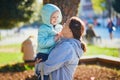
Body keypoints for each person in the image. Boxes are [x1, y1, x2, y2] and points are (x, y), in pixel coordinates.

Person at [35, 3, 63, 80]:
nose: (56, 19)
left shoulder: (59, 27)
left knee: (54, 73)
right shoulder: (43, 28)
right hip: (44, 54)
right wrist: (54, 39)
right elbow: (41, 44)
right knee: (44, 73)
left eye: (57, 16)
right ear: (46, 17)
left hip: (54, 53)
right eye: (53, 17)